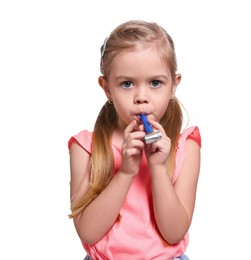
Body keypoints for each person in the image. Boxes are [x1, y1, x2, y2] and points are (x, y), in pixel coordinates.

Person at [68, 20, 201, 260]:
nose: (141, 97)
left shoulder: (185, 147)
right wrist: (126, 173)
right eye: (127, 84)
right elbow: (88, 232)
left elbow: (174, 233)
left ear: (174, 85)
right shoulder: (86, 148)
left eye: (155, 83)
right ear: (107, 88)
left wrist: (158, 168)